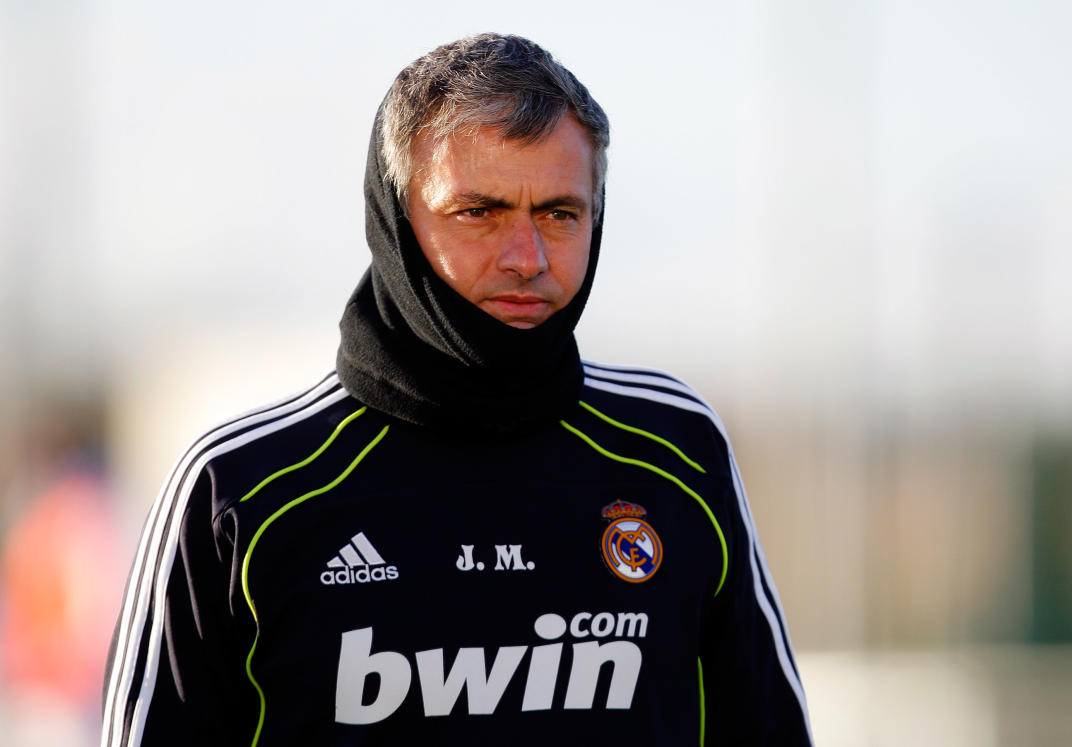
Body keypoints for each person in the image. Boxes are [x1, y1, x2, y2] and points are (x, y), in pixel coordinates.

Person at [101, 33, 813, 746]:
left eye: (560, 214)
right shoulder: (242, 490)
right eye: (480, 212)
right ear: (394, 219)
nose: (527, 258)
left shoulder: (674, 453)